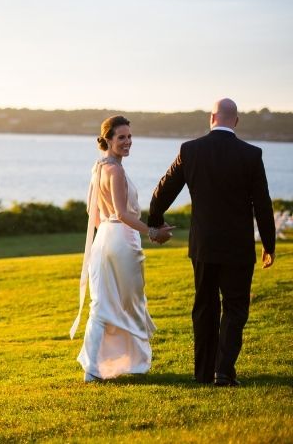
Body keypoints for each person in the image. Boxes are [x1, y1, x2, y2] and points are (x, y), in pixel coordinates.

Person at [148, 98, 276, 386]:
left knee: (205, 306)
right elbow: (263, 205)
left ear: (211, 118)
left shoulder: (190, 150)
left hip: (203, 245)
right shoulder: (251, 155)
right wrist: (269, 244)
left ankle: (203, 373)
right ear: (236, 121)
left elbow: (163, 189)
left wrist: (155, 221)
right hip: (239, 248)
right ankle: (224, 371)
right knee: (235, 307)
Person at [70, 115, 174, 383]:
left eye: (129, 136)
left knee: (102, 304)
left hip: (103, 238)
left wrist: (106, 231)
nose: (127, 142)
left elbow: (92, 214)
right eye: (121, 137)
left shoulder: (98, 168)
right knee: (131, 303)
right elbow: (122, 214)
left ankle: (93, 370)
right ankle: (132, 362)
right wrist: (152, 232)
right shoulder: (115, 171)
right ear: (107, 140)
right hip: (120, 238)